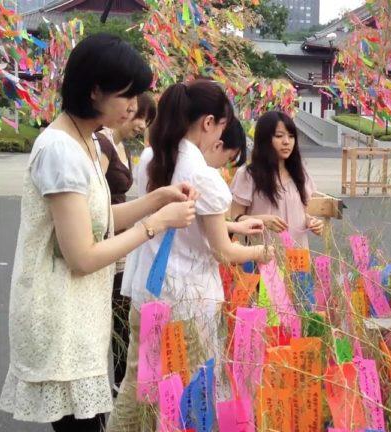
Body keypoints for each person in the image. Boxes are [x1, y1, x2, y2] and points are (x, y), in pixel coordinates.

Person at [0, 33, 197, 432]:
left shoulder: (85, 141)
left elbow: (98, 217)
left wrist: (156, 199)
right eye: (127, 94)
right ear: (95, 92)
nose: (133, 105)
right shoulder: (60, 150)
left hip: (76, 313)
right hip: (57, 315)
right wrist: (155, 224)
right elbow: (83, 255)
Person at [108, 79, 271, 431]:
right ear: (209, 122)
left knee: (140, 386)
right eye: (222, 127)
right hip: (189, 302)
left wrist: (234, 227)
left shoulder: (153, 156)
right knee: (188, 392)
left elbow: (188, 228)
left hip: (149, 294)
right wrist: (264, 252)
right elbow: (222, 252)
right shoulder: (204, 177)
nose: (220, 140)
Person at [96, 92, 157, 395]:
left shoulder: (122, 146)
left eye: (146, 120)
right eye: (138, 116)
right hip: (107, 234)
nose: (141, 125)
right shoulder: (103, 142)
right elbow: (96, 198)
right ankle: (117, 387)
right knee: (114, 318)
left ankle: (122, 385)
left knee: (122, 317)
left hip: (121, 236)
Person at [229, 110, 323, 248]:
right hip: (262, 256)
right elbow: (235, 218)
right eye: (279, 136)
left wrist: (311, 222)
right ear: (265, 139)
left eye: (291, 136)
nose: (286, 142)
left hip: (297, 256)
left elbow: (299, 212)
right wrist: (262, 220)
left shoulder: (300, 173)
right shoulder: (248, 175)